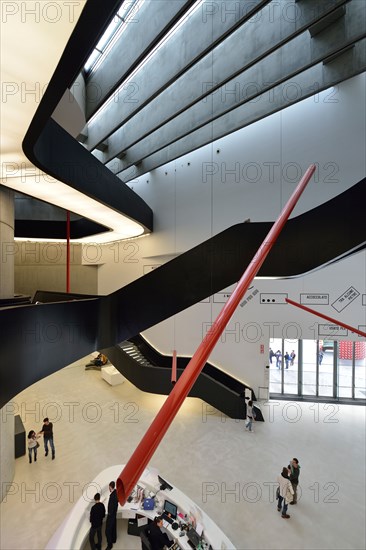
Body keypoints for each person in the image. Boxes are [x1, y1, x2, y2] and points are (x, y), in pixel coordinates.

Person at [105, 481, 118, 550]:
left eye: (109, 487)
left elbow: (111, 508)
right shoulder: (116, 493)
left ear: (110, 487)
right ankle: (114, 539)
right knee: (113, 527)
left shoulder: (112, 496)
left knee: (107, 531)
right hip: (114, 514)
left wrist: (109, 513)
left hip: (111, 515)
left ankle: (110, 545)